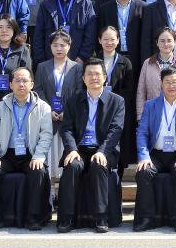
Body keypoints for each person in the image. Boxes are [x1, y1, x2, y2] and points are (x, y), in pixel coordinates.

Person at [0, 66, 53, 231]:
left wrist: (39, 156)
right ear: (10, 84)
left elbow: (46, 135)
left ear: (32, 84)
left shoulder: (43, 107)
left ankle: (33, 217)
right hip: (6, 154)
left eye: (25, 80)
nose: (21, 84)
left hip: (30, 154)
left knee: (38, 171)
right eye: (17, 80)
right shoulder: (1, 106)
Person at [56, 58, 125, 233]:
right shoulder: (73, 100)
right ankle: (67, 218)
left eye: (97, 74)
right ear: (83, 78)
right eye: (89, 74)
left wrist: (102, 151)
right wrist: (72, 149)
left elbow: (115, 130)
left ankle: (101, 217)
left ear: (105, 77)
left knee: (98, 165)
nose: (94, 77)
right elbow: (66, 128)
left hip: (103, 149)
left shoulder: (117, 101)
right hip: (79, 149)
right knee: (72, 166)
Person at [135, 66, 176, 232]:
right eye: (167, 82)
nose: (171, 85)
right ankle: (147, 218)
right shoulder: (150, 105)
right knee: (143, 172)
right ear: (161, 84)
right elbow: (142, 132)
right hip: (156, 154)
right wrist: (144, 156)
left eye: (174, 82)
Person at [33, 30, 85, 179]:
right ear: (50, 46)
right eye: (55, 45)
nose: (59, 48)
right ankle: (49, 189)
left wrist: (67, 111)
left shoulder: (77, 67)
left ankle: (64, 188)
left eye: (63, 45)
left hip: (69, 119)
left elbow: (79, 91)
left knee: (66, 156)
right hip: (47, 117)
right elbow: (38, 89)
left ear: (69, 46)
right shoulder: (42, 67)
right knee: (48, 159)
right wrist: (48, 110)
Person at [33, 0, 97, 64]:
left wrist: (82, 57)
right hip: (50, 60)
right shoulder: (46, 5)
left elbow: (91, 34)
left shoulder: (85, 4)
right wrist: (42, 60)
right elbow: (38, 34)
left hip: (77, 60)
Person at [95, 26, 136, 174]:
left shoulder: (125, 62)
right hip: (97, 109)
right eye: (105, 39)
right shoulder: (94, 62)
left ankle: (118, 177)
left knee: (120, 146)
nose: (109, 42)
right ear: (99, 40)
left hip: (119, 110)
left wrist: (113, 103)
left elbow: (129, 90)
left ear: (118, 40)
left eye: (112, 39)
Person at [95, 0, 145, 91]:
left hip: (136, 57)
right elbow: (99, 34)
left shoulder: (144, 7)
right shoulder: (105, 9)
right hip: (112, 56)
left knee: (134, 91)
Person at [135, 27, 176, 122]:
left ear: (174, 42)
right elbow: (141, 91)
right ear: (157, 43)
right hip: (153, 114)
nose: (166, 44)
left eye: (169, 40)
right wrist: (140, 115)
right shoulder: (148, 63)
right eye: (162, 41)